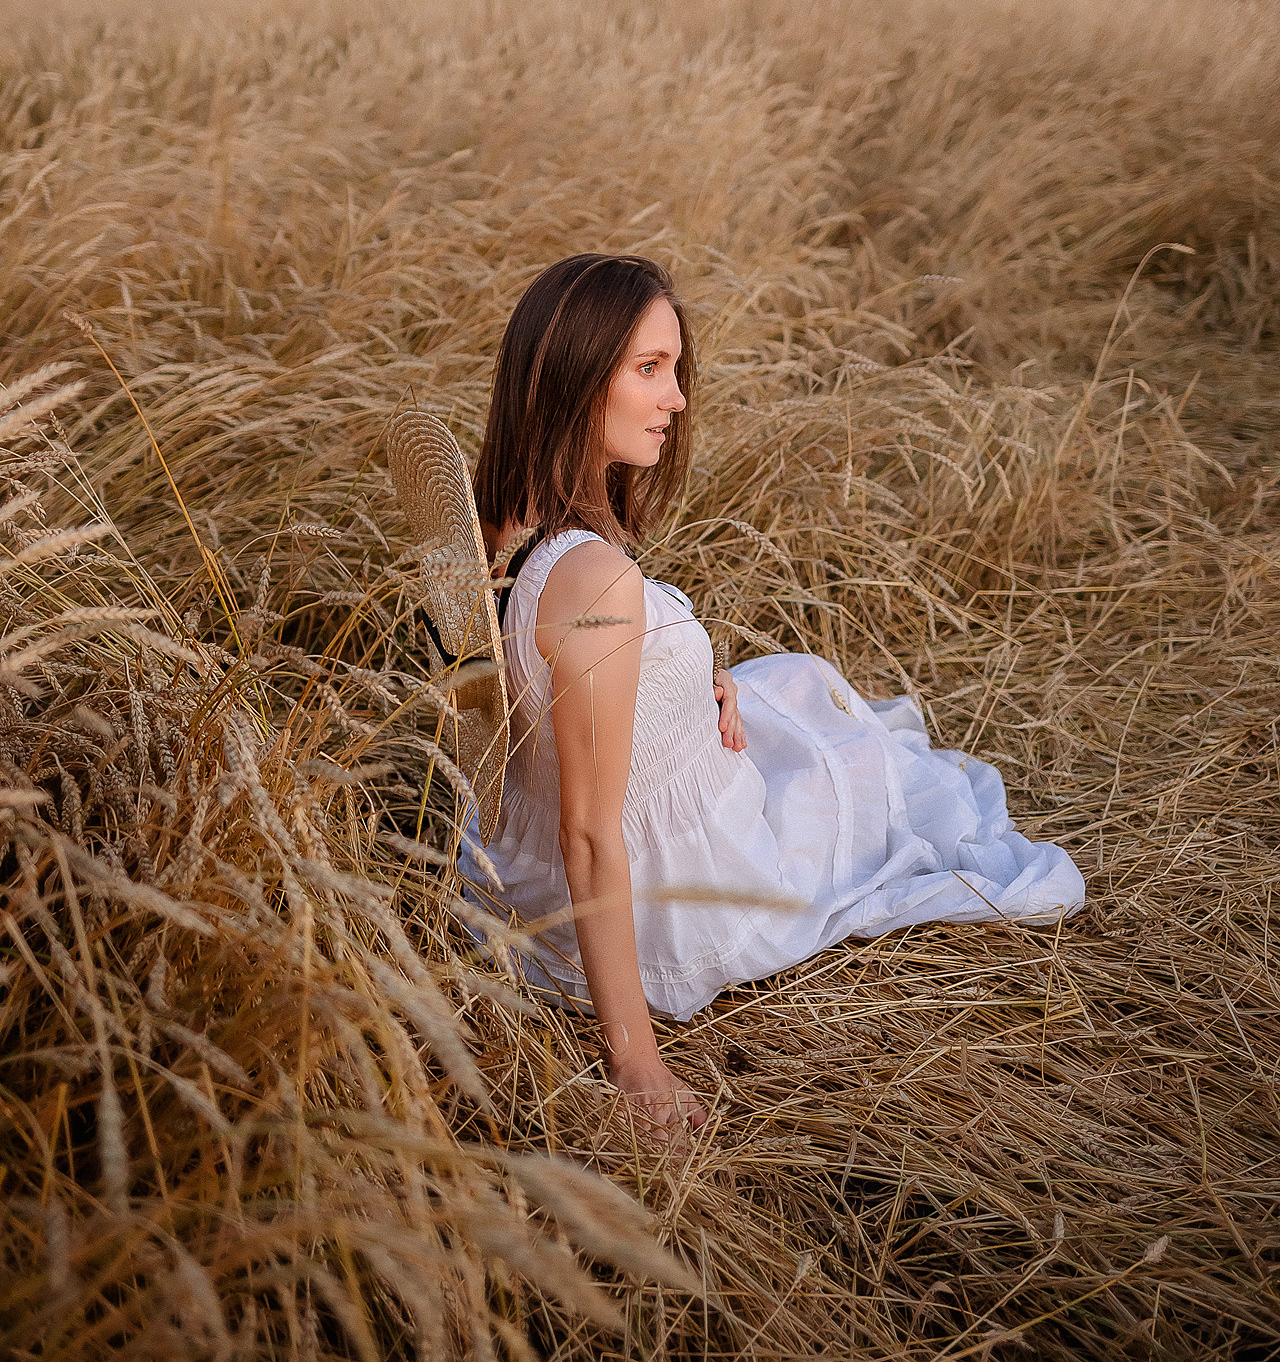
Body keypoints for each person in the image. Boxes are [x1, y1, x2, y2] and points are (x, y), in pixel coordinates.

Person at [462, 254, 1085, 1134]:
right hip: (667, 891)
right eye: (649, 369)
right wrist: (636, 1063)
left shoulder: (498, 521)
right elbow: (590, 835)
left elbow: (519, 696)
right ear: (573, 377)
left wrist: (682, 679)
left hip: (526, 854)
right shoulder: (594, 583)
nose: (677, 398)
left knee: (790, 685)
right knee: (865, 770)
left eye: (675, 367)